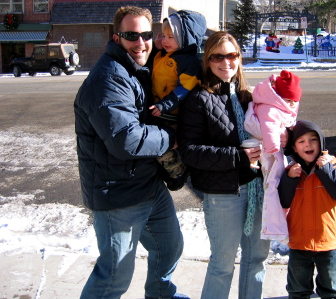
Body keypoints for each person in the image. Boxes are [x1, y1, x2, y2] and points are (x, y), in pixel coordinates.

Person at [74, 6, 187, 299]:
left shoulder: (137, 70)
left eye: (146, 35)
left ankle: (161, 294)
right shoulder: (107, 79)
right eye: (131, 36)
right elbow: (126, 140)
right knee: (114, 276)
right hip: (118, 195)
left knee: (170, 246)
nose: (141, 42)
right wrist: (170, 139)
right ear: (116, 38)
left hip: (148, 184)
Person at [178, 31, 272, 299]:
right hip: (223, 195)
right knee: (222, 264)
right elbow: (190, 151)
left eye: (232, 55)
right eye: (217, 56)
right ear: (208, 60)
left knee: (256, 259)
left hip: (258, 189)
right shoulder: (198, 99)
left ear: (239, 58)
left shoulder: (249, 96)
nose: (226, 62)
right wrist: (239, 157)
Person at [277, 120, 336, 299]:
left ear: (321, 143)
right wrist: (289, 179)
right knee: (298, 290)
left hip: (327, 241)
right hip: (299, 242)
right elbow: (283, 201)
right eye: (301, 141)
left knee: (331, 290)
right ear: (295, 148)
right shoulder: (291, 170)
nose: (308, 145)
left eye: (313, 140)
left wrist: (325, 170)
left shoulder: (333, 165)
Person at [149, 10, 207, 191]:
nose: (165, 40)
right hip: (158, 107)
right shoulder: (164, 54)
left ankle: (178, 172)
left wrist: (165, 105)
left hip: (171, 112)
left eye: (170, 37)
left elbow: (184, 88)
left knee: (162, 144)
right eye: (163, 36)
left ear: (186, 38)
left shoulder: (187, 62)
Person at [244, 70, 301, 243]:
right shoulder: (270, 108)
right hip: (267, 150)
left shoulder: (279, 105)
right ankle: (275, 227)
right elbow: (269, 129)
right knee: (273, 184)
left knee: (276, 185)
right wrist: (273, 147)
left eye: (294, 101)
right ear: (279, 97)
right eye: (288, 101)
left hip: (270, 150)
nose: (291, 105)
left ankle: (276, 225)